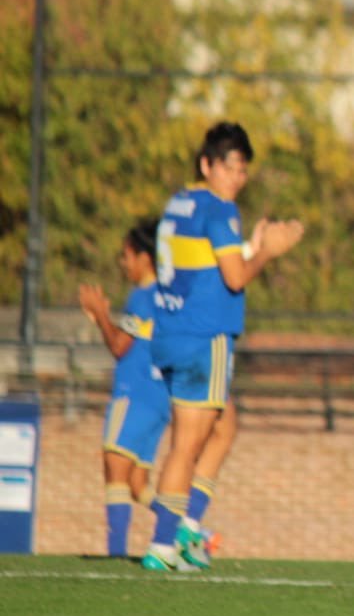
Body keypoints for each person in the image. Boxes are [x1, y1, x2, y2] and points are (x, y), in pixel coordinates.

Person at [142, 121, 303, 572]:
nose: (237, 178)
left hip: (172, 333)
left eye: (243, 171)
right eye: (230, 167)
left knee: (225, 424)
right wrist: (268, 252)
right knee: (187, 444)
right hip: (202, 336)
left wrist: (252, 246)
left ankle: (188, 524)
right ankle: (163, 545)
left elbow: (211, 265)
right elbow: (234, 278)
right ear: (207, 163)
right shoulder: (220, 209)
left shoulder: (181, 202)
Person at [77, 220, 170, 558]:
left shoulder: (141, 297)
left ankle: (115, 555)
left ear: (144, 257)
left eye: (127, 255)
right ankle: (188, 530)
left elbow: (120, 346)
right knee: (137, 484)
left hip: (135, 393)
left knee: (114, 467)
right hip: (160, 401)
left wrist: (101, 314)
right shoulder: (168, 298)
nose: (123, 263)